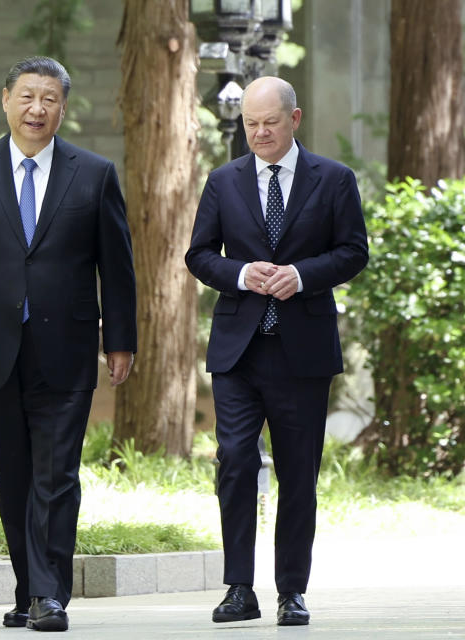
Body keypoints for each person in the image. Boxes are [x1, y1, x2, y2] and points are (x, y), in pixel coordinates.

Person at [0, 56, 136, 633]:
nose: (37, 108)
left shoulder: (93, 174)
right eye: (27, 97)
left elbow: (116, 267)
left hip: (67, 351)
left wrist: (120, 340)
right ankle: (28, 588)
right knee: (12, 476)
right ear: (5, 101)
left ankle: (50, 594)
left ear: (63, 108)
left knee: (57, 475)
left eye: (49, 99)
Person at [185, 76, 368, 627]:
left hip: (302, 352)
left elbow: (353, 251)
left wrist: (301, 275)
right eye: (249, 124)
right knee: (235, 462)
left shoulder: (333, 180)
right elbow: (199, 255)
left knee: (298, 473)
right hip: (239, 351)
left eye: (269, 122)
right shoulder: (223, 181)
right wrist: (241, 272)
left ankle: (292, 589)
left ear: (295, 118)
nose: (259, 133)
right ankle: (239, 587)